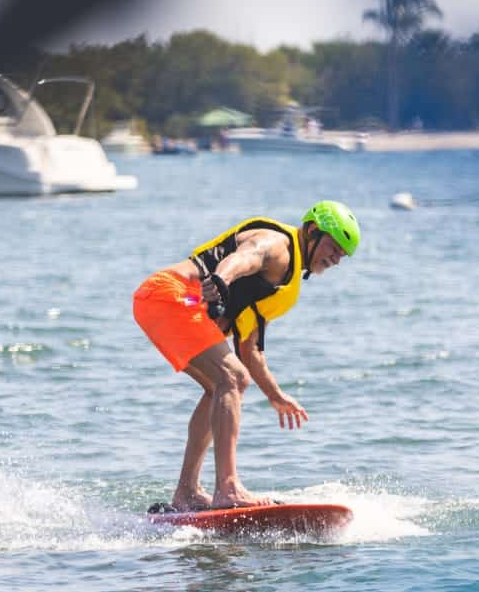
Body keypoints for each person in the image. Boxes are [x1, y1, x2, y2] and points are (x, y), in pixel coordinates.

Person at [133, 201, 361, 510]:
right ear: (311, 231)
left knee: (220, 386)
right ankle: (228, 488)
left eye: (341, 256)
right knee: (233, 377)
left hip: (158, 303)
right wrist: (221, 280)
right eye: (333, 248)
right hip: (170, 293)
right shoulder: (278, 245)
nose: (336, 259)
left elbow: (250, 350)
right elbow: (244, 258)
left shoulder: (284, 282)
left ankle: (186, 492)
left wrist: (276, 395)